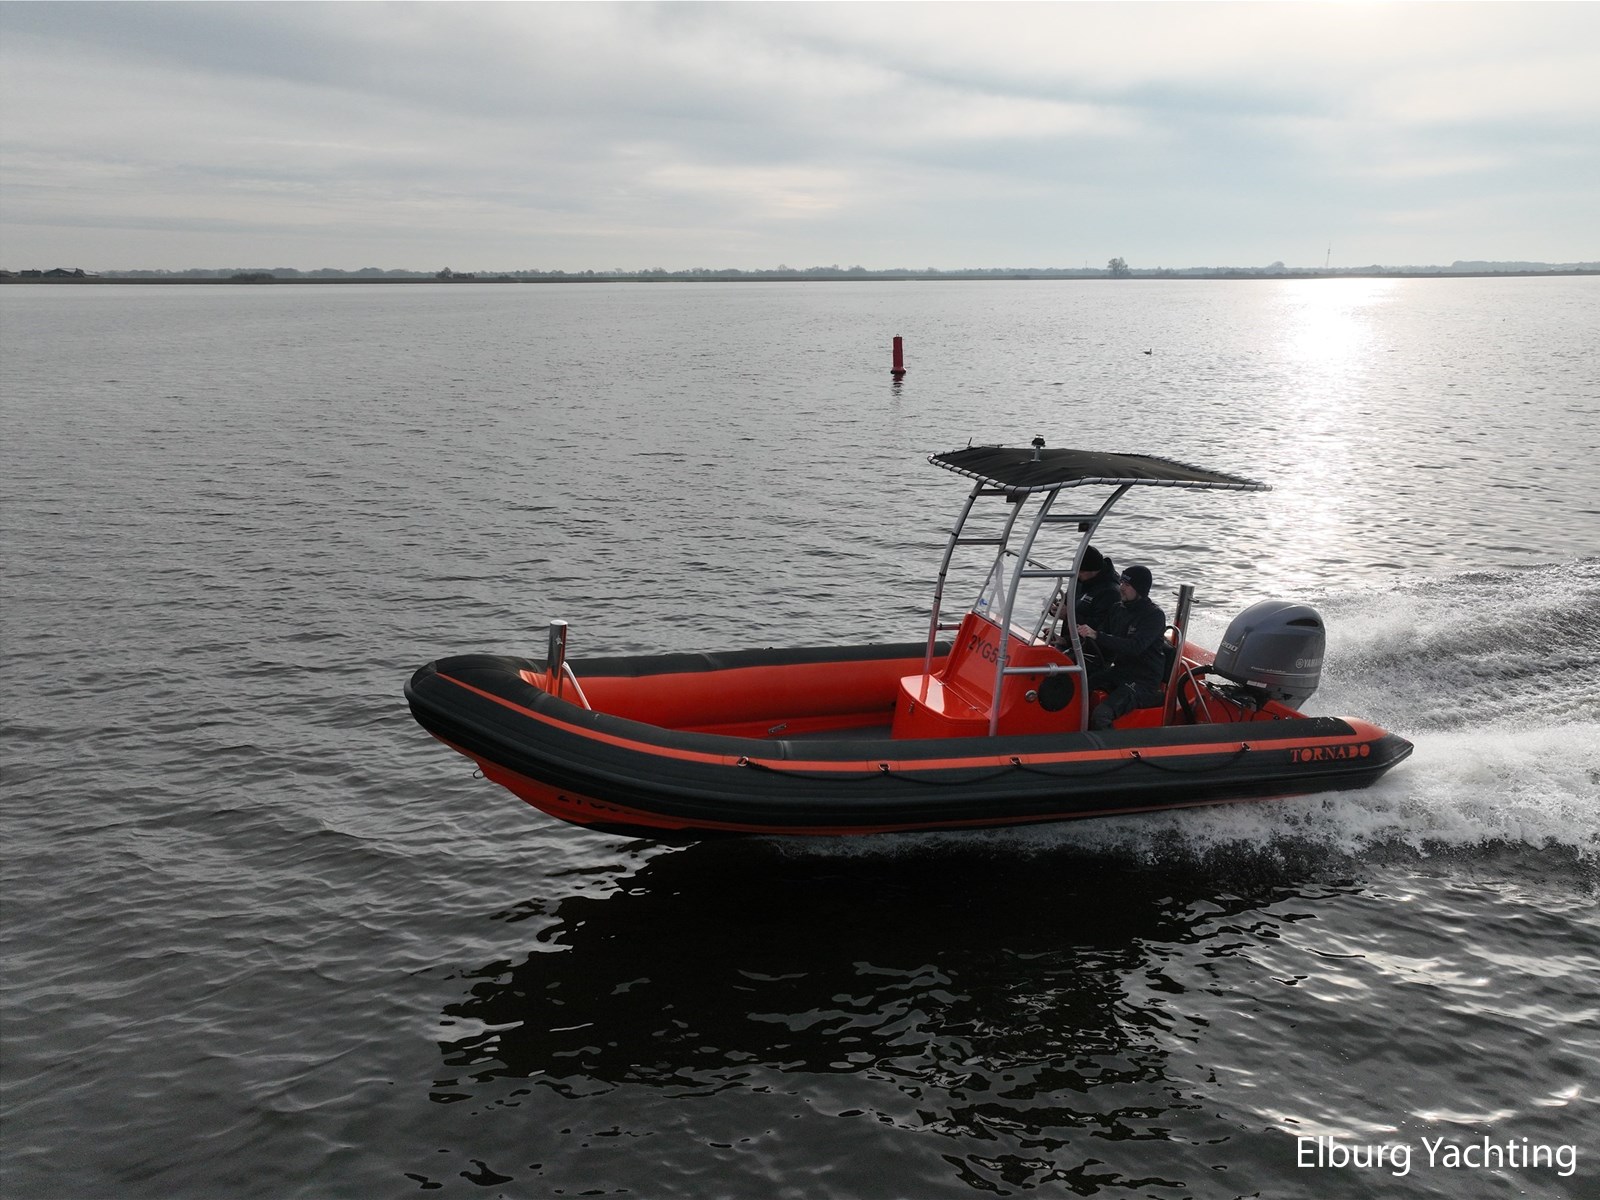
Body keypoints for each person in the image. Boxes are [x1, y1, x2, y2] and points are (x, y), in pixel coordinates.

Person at [1076, 565, 1167, 730]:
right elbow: (1101, 638)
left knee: (1101, 714)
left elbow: (1135, 647)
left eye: (1127, 584)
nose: (1121, 588)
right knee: (1078, 688)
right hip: (1120, 671)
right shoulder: (1117, 609)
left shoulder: (1154, 616)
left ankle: (1109, 745)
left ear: (1140, 589)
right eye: (1121, 583)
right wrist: (1066, 640)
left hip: (1143, 680)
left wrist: (1097, 635)